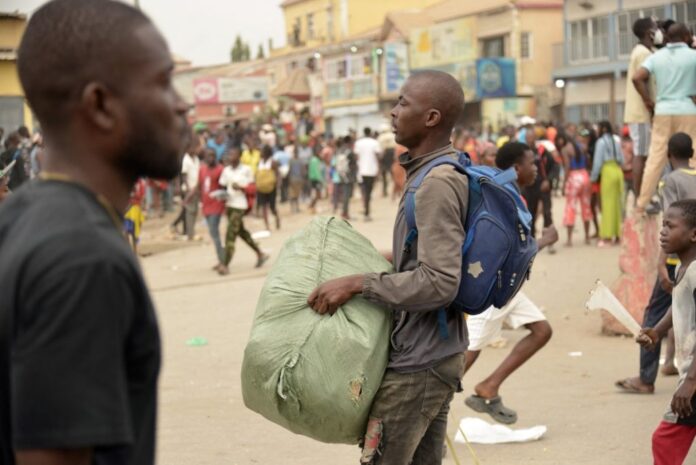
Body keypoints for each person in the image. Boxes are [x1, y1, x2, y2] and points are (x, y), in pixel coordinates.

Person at [0, 1, 190, 464]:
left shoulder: (19, 217)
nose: (182, 104)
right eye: (163, 82)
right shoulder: (85, 258)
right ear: (101, 105)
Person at [308, 70, 469, 465]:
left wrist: (360, 284)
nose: (392, 113)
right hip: (436, 353)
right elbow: (427, 257)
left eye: (402, 103)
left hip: (420, 362)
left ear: (431, 118)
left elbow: (440, 282)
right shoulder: (433, 170)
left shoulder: (435, 183)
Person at [464, 141, 557, 425]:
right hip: (495, 288)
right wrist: (544, 240)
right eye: (532, 164)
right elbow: (508, 249)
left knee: (541, 331)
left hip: (508, 287)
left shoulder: (512, 193)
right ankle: (426, 417)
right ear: (517, 168)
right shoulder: (504, 195)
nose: (537, 170)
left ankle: (488, 387)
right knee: (464, 358)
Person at [617, 133, 696, 395]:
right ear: (691, 152)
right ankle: (672, 363)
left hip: (678, 259)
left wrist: (663, 262)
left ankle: (645, 378)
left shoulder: (670, 181)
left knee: (655, 313)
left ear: (668, 155)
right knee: (684, 309)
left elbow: (671, 223)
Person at [638, 199, 696, 465]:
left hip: (694, 378)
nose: (663, 232)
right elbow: (681, 305)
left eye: (670, 226)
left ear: (693, 234)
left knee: (666, 439)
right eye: (663, 225)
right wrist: (658, 330)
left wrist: (692, 381)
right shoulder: (684, 268)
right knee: (667, 440)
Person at [633, 23, 696, 213]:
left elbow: (638, 77)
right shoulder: (693, 56)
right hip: (687, 109)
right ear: (686, 36)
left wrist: (648, 101)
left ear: (666, 37)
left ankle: (641, 204)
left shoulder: (656, 57)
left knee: (656, 158)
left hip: (662, 110)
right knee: (692, 155)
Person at [218, 148, 269, 276]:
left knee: (230, 234)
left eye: (233, 154)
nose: (230, 156)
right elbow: (223, 186)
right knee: (241, 232)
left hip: (240, 205)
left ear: (239, 156)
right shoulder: (226, 170)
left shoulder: (246, 170)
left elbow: (252, 188)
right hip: (229, 204)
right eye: (229, 154)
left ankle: (225, 264)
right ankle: (260, 253)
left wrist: (241, 188)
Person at [624, 17, 657, 198]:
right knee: (641, 154)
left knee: (642, 152)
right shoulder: (644, 53)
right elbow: (639, 79)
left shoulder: (639, 51)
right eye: (655, 28)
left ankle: (642, 194)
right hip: (641, 113)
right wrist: (649, 102)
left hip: (635, 112)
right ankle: (641, 196)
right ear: (648, 33)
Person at [591, 121, 625, 246]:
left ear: (603, 128)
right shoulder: (616, 141)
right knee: (617, 205)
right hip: (617, 170)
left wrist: (594, 177)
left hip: (607, 171)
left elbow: (597, 162)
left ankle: (606, 237)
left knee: (607, 205)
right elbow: (622, 159)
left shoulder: (600, 142)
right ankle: (617, 235)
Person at [522, 128, 556, 248]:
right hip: (529, 188)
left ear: (535, 138)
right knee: (530, 215)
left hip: (543, 186)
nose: (530, 140)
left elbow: (554, 166)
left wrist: (548, 180)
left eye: (532, 137)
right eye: (527, 138)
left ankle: (550, 241)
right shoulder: (522, 153)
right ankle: (532, 242)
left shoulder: (542, 151)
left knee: (547, 213)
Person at [556, 132, 591, 246]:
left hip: (573, 177)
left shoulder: (565, 149)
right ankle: (587, 237)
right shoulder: (582, 147)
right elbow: (588, 161)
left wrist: (563, 184)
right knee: (586, 206)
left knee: (570, 207)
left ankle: (569, 240)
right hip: (584, 175)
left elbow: (566, 167)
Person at [198, 147, 226, 272]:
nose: (211, 158)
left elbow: (225, 187)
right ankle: (220, 259)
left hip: (216, 205)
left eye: (213, 155)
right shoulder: (202, 169)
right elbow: (199, 185)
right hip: (206, 205)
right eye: (209, 156)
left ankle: (223, 261)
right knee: (212, 233)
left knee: (215, 233)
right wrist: (189, 197)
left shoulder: (220, 170)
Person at [354, 127, 381, 221]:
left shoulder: (358, 143)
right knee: (368, 192)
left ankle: (365, 210)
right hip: (371, 170)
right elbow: (378, 156)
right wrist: (378, 169)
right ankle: (366, 212)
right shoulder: (375, 142)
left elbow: (356, 157)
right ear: (370, 133)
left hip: (361, 170)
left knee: (364, 191)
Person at [256, 144, 281, 230]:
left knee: (272, 207)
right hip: (261, 189)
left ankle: (276, 217)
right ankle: (267, 226)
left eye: (262, 151)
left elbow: (277, 174)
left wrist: (277, 184)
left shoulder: (272, 162)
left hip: (271, 188)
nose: (260, 153)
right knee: (264, 207)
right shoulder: (259, 162)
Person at [181, 137, 201, 240]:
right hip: (189, 189)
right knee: (189, 211)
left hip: (195, 188)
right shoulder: (186, 159)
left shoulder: (196, 159)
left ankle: (191, 231)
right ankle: (190, 233)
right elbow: (184, 175)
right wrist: (189, 189)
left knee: (194, 211)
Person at [124, 178, 146, 253]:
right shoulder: (127, 179)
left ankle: (133, 251)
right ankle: (130, 250)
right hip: (129, 209)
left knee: (134, 231)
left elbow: (142, 196)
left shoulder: (140, 182)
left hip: (135, 209)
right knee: (127, 230)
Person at [378, 124, 396, 197]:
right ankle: (395, 189)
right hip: (392, 154)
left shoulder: (380, 137)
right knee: (393, 173)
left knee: (384, 174)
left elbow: (380, 148)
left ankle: (385, 191)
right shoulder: (392, 135)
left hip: (384, 155)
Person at [308, 146, 324, 214]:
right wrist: (321, 179)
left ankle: (312, 206)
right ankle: (311, 206)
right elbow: (316, 171)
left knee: (316, 194)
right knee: (318, 195)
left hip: (314, 179)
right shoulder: (315, 160)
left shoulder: (314, 159)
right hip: (316, 179)